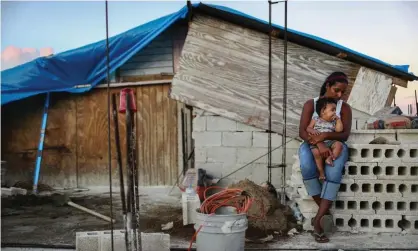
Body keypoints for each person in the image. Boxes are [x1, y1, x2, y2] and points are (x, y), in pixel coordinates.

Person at [298, 71, 352, 243]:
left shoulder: (344, 108)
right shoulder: (310, 104)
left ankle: (318, 222)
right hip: (311, 142)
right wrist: (319, 144)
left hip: (335, 143)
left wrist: (326, 138)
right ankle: (325, 212)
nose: (339, 95)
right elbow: (302, 132)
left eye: (342, 92)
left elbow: (344, 135)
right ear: (327, 86)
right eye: (336, 90)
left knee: (334, 172)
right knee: (307, 166)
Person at [307, 97, 344, 181]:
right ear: (323, 111)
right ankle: (321, 172)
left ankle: (330, 158)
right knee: (316, 153)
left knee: (339, 145)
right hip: (317, 143)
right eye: (333, 110)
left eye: (335, 110)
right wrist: (312, 130)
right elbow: (308, 128)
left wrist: (338, 120)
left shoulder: (333, 122)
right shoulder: (315, 119)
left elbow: (339, 130)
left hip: (330, 142)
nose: (335, 112)